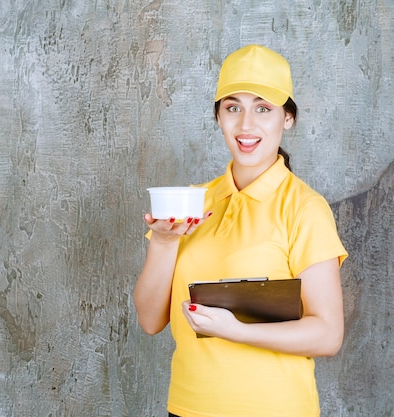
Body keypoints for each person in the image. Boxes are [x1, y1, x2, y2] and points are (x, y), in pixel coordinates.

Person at [134, 44, 348, 417]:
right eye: (233, 107)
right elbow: (150, 320)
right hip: (187, 407)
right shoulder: (190, 202)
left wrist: (235, 330)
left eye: (263, 108)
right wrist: (165, 243)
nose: (246, 125)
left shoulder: (304, 208)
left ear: (288, 118)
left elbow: (328, 335)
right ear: (219, 116)